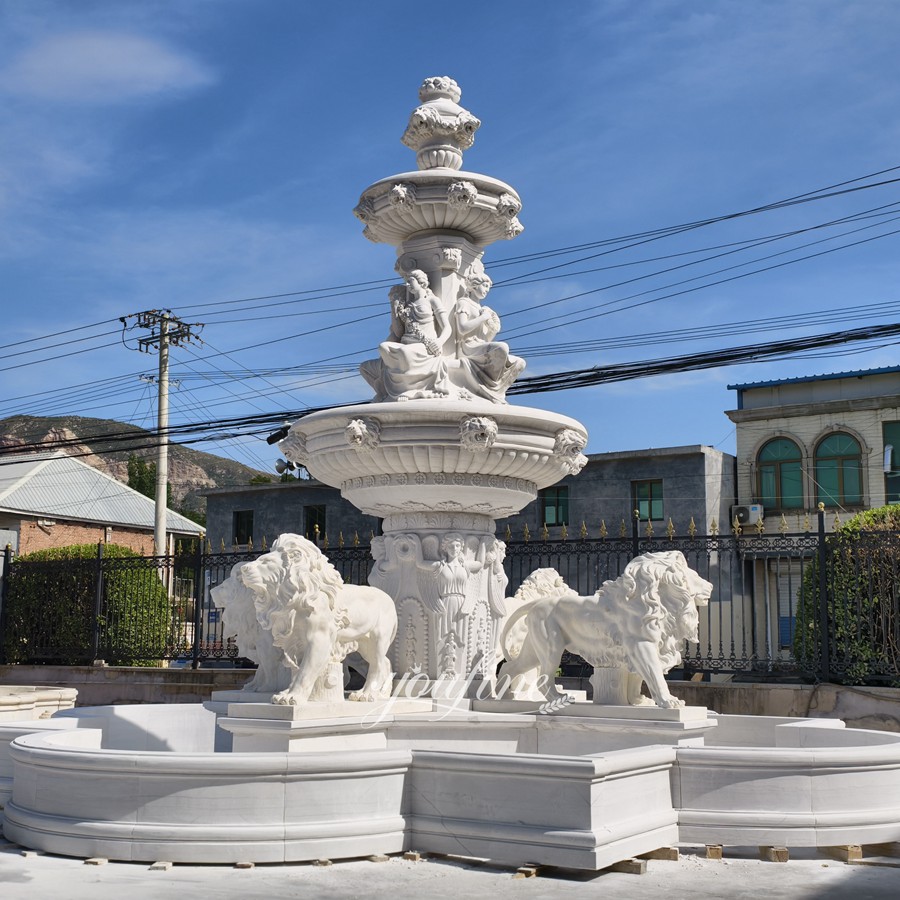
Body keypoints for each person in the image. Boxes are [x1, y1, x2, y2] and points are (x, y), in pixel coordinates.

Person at [360, 270, 452, 401]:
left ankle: (412, 390)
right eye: (406, 282)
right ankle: (389, 389)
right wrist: (394, 308)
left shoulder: (432, 300)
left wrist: (439, 342)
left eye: (410, 281)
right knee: (383, 347)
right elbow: (398, 332)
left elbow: (448, 327)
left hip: (425, 346)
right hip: (406, 344)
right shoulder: (407, 305)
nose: (408, 285)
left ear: (421, 282)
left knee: (403, 352)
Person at [453, 270, 524, 402]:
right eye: (484, 286)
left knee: (520, 363)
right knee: (503, 347)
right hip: (468, 345)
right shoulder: (464, 303)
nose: (486, 290)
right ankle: (489, 388)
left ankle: (495, 391)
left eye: (488, 287)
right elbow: (462, 329)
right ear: (474, 285)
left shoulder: (484, 308)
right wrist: (483, 317)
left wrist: (492, 330)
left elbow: (486, 340)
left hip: (479, 344)